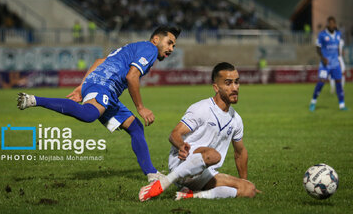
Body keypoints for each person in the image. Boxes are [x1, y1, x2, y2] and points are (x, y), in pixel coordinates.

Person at [17, 25, 181, 181]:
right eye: (169, 43)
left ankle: (152, 174)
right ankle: (33, 100)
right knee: (89, 114)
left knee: (135, 127)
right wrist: (141, 107)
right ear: (156, 40)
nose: (171, 49)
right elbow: (132, 77)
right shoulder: (150, 49)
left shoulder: (133, 48)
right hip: (105, 84)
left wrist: (82, 86)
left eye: (174, 45)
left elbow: (99, 61)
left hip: (105, 87)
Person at [139, 62, 260, 202]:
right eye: (228, 83)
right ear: (216, 87)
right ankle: (164, 182)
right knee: (214, 155)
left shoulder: (236, 120)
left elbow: (240, 153)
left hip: (205, 173)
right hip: (182, 164)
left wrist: (243, 181)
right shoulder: (201, 108)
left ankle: (191, 195)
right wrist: (181, 146)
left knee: (249, 189)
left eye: (237, 82)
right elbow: (174, 134)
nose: (235, 88)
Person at [309, 16, 347, 111]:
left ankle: (342, 105)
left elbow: (337, 46)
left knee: (339, 83)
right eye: (329, 23)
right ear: (327, 24)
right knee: (321, 82)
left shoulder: (338, 34)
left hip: (335, 64)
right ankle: (313, 102)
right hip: (325, 64)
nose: (331, 25)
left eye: (333, 23)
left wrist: (339, 55)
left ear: (335, 24)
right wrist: (323, 58)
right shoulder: (322, 35)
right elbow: (318, 48)